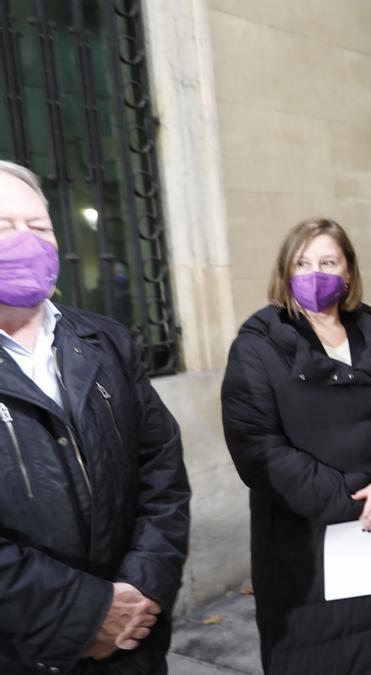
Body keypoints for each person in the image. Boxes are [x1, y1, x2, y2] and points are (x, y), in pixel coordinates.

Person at [221, 218, 371, 674]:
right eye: (302, 263)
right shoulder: (259, 345)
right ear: (285, 272)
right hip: (310, 553)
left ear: (348, 273)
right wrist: (358, 496)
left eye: (328, 261)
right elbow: (258, 449)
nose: (314, 273)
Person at [0, 161, 191, 674]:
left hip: (135, 640)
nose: (26, 241)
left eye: (38, 227)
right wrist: (86, 617)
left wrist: (139, 593)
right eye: (3, 227)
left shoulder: (105, 341)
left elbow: (162, 471)